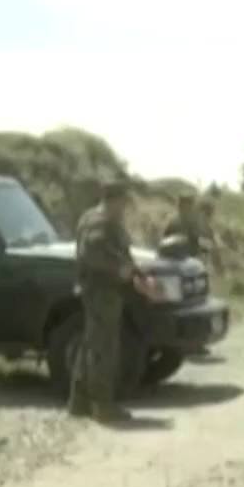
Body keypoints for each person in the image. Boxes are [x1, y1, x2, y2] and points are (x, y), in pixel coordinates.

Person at [71, 180, 151, 422]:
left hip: (100, 291)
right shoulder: (100, 223)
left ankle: (80, 401)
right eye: (123, 201)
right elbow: (94, 255)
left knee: (91, 344)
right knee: (104, 349)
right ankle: (102, 405)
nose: (125, 207)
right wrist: (122, 270)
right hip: (102, 292)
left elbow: (118, 254)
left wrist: (135, 271)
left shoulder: (92, 218)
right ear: (114, 200)